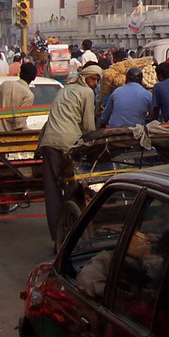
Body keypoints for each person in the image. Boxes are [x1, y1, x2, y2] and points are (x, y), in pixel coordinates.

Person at [38, 63, 102, 240]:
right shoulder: (87, 93)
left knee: (52, 189)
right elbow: (88, 126)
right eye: (94, 79)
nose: (95, 83)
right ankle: (71, 228)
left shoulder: (64, 90)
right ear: (85, 77)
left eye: (98, 80)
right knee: (73, 184)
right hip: (68, 143)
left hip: (49, 141)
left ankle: (57, 232)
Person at [0, 62, 37, 132]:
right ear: (33, 78)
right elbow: (19, 124)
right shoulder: (28, 95)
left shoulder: (4, 85)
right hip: (11, 138)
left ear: (20, 73)